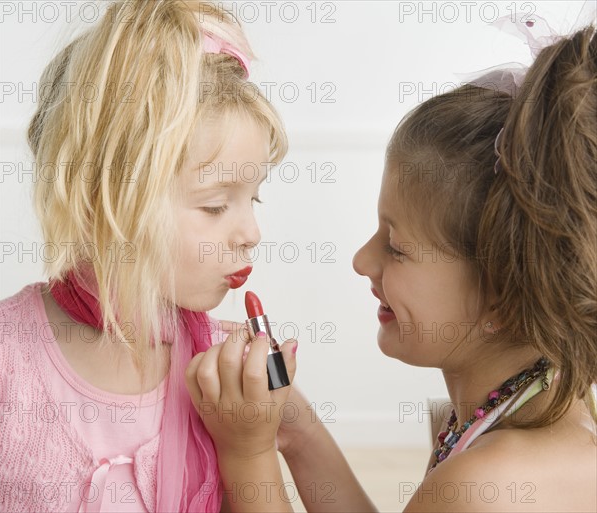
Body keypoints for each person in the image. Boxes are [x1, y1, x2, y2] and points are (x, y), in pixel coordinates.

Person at [186, 16, 597, 513]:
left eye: (397, 248)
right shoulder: (531, 399)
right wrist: (295, 430)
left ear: (505, 296)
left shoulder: (487, 487)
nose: (362, 261)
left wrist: (247, 451)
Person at [0, 1, 296, 512]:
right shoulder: (8, 360)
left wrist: (255, 446)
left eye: (254, 198)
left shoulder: (231, 378)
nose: (251, 233)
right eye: (215, 205)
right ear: (102, 199)